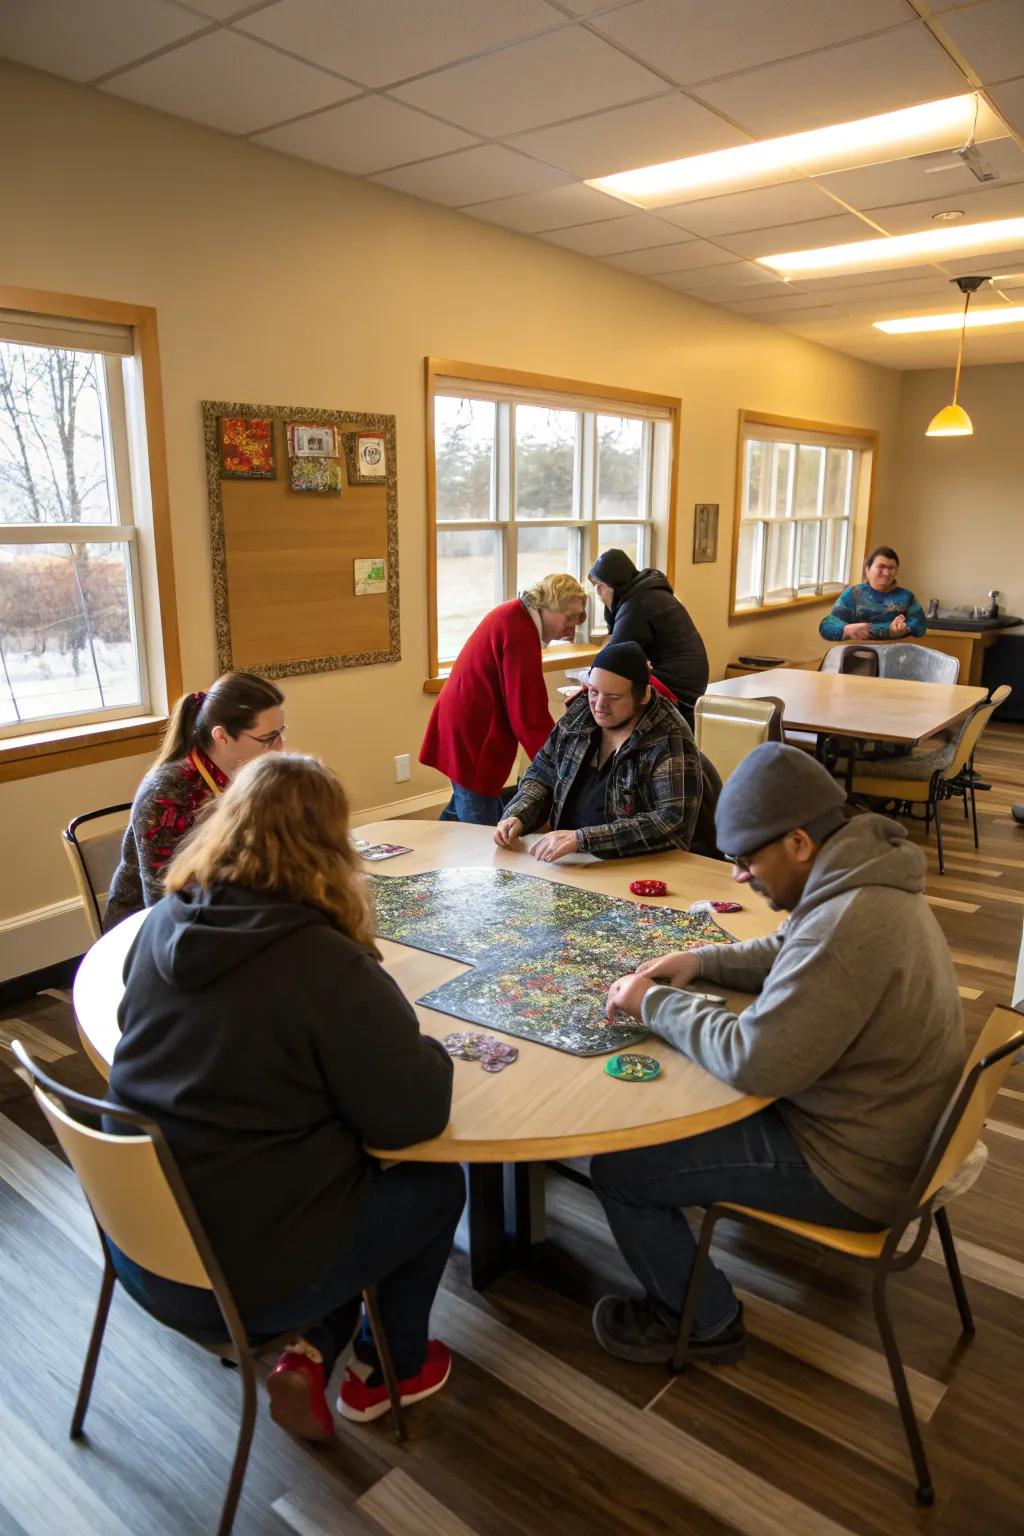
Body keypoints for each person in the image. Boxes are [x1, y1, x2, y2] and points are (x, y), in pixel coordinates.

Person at [104, 754, 463, 1440]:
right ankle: (389, 1370)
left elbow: (144, 1029)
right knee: (434, 1184)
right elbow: (413, 1116)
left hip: (141, 1242)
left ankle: (312, 1347)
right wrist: (427, 1044)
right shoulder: (325, 963)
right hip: (238, 1278)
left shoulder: (161, 924)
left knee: (320, 1171)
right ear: (331, 847)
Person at [590, 743, 964, 1365]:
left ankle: (704, 1323)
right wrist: (699, 960)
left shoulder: (846, 924)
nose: (738, 876)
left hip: (856, 1168)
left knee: (621, 1170)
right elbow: (788, 945)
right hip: (882, 1124)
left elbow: (753, 1059)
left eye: (746, 859)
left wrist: (651, 1003)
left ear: (797, 843)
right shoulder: (860, 869)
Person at [105, 671, 286, 928]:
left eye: (281, 732)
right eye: (268, 738)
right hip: (152, 929)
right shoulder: (166, 794)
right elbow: (164, 903)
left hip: (228, 907)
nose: (279, 746)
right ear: (221, 736)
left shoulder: (250, 773)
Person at [494, 640, 702, 863]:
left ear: (644, 696)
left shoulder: (668, 737)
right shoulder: (579, 715)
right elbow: (542, 774)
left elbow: (671, 821)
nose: (599, 705)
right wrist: (519, 814)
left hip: (634, 865)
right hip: (566, 858)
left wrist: (583, 839)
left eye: (613, 697)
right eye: (594, 692)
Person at [420, 574, 588, 825]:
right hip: (474, 732)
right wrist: (556, 765)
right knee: (482, 833)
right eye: (569, 616)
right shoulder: (520, 631)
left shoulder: (515, 617)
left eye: (580, 617)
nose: (573, 626)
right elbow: (528, 713)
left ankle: (433, 856)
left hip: (465, 723)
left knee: (460, 813)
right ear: (549, 607)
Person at [588, 549, 709, 727]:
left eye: (602, 585)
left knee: (610, 701)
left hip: (677, 684)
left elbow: (612, 661)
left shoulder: (636, 605)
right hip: (691, 680)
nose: (598, 592)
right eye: (595, 585)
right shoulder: (645, 592)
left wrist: (588, 679)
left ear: (617, 585)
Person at [819, 546, 927, 643]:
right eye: (881, 566)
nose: (886, 573)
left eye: (891, 568)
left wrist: (905, 629)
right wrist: (846, 629)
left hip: (896, 654)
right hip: (859, 653)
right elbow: (826, 627)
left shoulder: (907, 597)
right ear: (867, 569)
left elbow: (920, 625)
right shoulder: (853, 594)